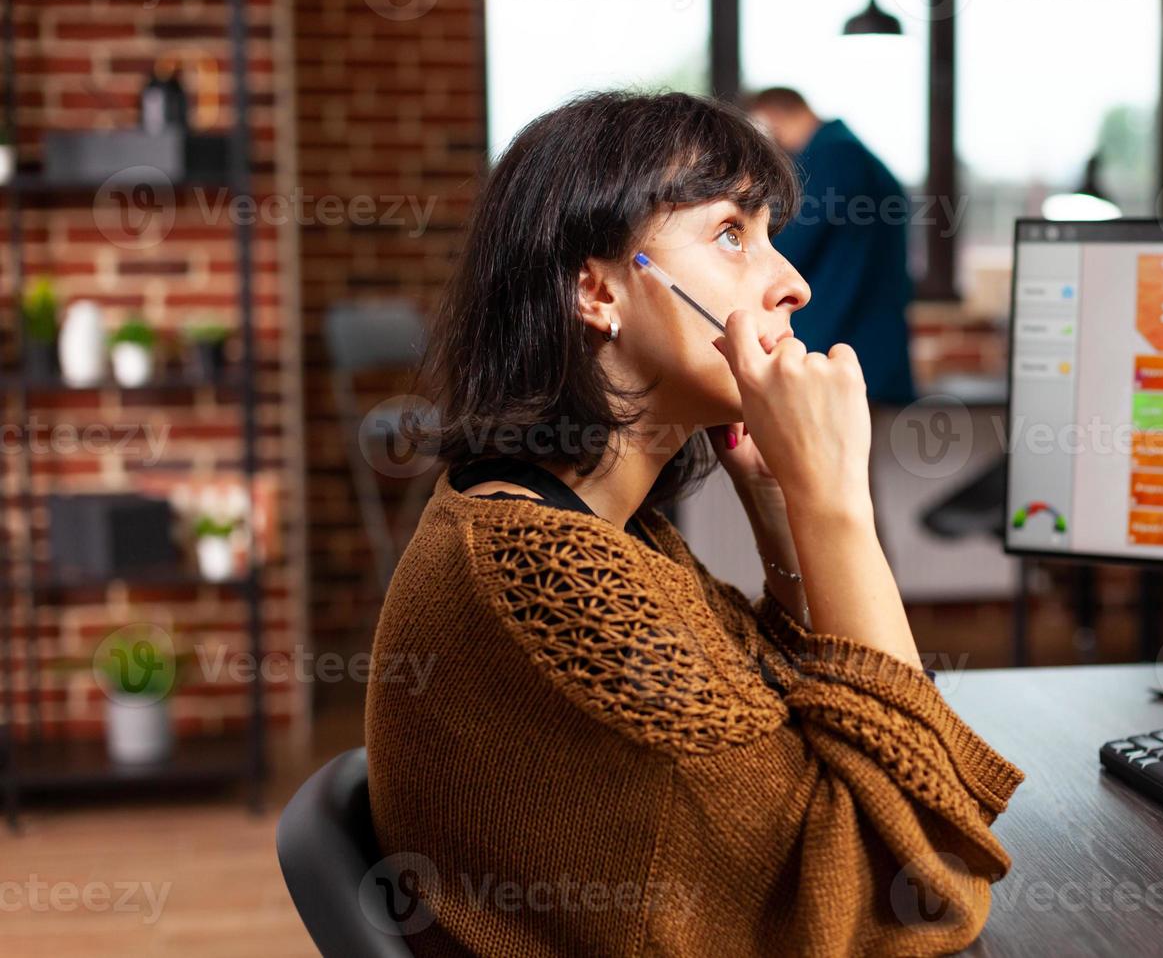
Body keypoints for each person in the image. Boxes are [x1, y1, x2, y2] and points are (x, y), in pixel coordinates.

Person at [365, 90, 1022, 958]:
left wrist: (787, 520)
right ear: (598, 291)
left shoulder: (586, 524)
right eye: (730, 236)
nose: (792, 281)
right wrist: (836, 504)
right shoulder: (548, 580)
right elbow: (918, 887)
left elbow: (779, 723)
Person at [745, 86, 917, 408]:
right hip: (871, 343)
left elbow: (783, 250)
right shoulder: (859, 157)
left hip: (838, 337)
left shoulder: (830, 159)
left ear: (775, 117)